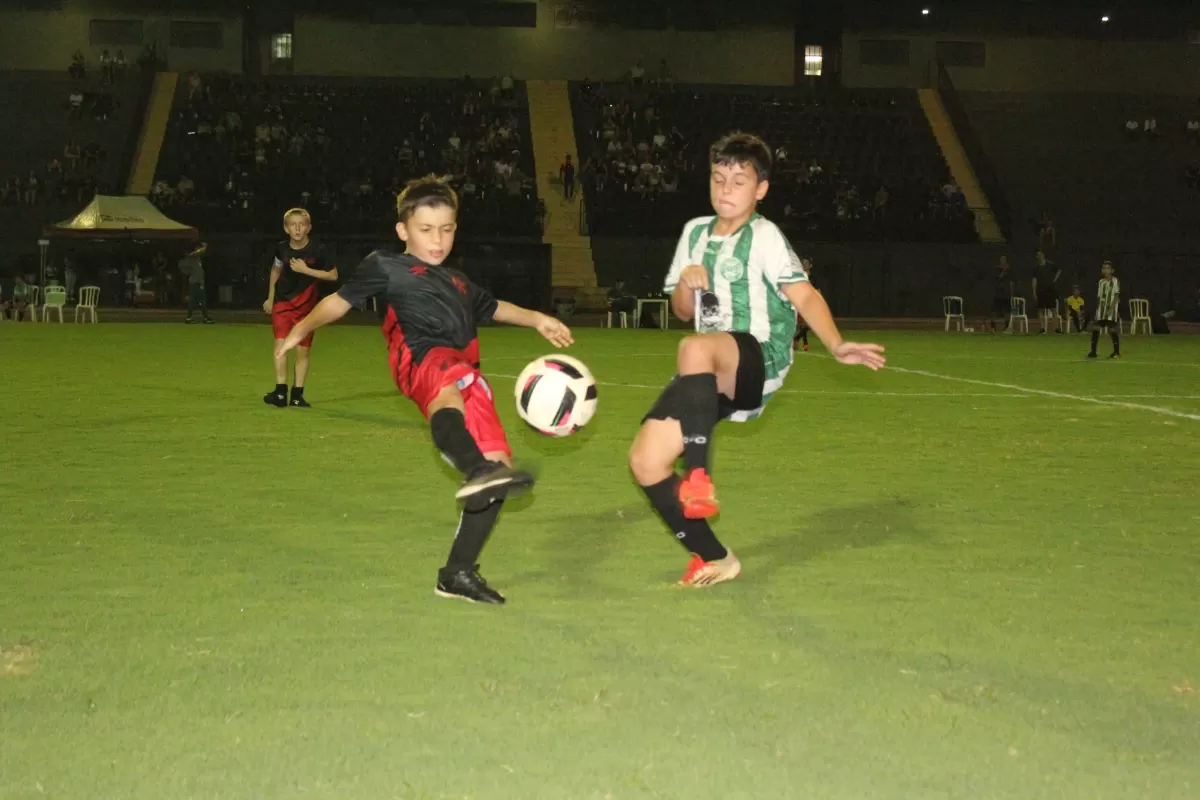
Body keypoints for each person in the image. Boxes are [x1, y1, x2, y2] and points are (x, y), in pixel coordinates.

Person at [275, 176, 574, 605]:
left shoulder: (457, 280)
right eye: (426, 229)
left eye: (446, 229)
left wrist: (538, 318)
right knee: (450, 396)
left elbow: (493, 307)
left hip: (467, 370)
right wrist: (301, 328)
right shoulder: (385, 265)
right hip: (418, 356)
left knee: (500, 469)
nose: (438, 240)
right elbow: (338, 301)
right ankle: (476, 469)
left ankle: (456, 573)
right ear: (403, 230)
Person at [627, 133, 886, 588]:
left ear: (760, 189)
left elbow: (804, 293)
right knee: (645, 461)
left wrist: (834, 343)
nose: (725, 189)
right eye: (718, 178)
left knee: (693, 348)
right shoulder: (694, 233)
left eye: (739, 181)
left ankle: (699, 476)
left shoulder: (764, 236)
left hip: (759, 357)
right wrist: (686, 281)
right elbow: (682, 312)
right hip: (709, 369)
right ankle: (716, 556)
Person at [262, 208, 338, 408]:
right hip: (282, 303)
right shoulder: (281, 249)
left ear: (308, 228)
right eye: (293, 225)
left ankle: (297, 395)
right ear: (286, 228)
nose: (297, 228)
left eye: (301, 224)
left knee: (302, 351)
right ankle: (280, 393)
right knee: (280, 346)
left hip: (307, 307)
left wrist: (307, 270)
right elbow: (276, 270)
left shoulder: (318, 249)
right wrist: (270, 297)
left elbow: (333, 275)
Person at [1087, 261, 1121, 359]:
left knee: (1112, 329)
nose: (1106, 270)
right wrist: (1098, 309)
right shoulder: (1101, 282)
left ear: (1112, 270)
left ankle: (1116, 352)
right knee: (1096, 328)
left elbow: (1116, 295)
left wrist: (1111, 309)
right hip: (1101, 310)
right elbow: (1099, 297)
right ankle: (1093, 352)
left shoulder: (1115, 281)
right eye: (1104, 268)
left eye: (1108, 268)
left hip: (1111, 310)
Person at [179, 243, 214, 324]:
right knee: (194, 301)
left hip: (199, 282)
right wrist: (204, 246)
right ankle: (191, 317)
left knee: (201, 301)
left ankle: (204, 317)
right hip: (195, 283)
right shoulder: (192, 258)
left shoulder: (198, 260)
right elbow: (198, 252)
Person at [1032, 250, 1060, 334]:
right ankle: (1042, 328)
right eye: (1037, 255)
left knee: (1053, 309)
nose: (1038, 257)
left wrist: (1055, 279)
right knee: (1040, 309)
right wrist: (1034, 292)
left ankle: (1056, 328)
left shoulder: (1050, 265)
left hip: (1050, 290)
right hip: (1040, 290)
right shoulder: (1036, 268)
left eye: (1039, 255)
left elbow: (1059, 270)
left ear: (1043, 255)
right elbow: (1034, 280)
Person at [793, 257, 815, 351]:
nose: (805, 265)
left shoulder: (810, 276)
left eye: (806, 263)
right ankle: (803, 344)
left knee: (806, 325)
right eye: (803, 263)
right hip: (800, 302)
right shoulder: (801, 275)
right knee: (804, 324)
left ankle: (797, 340)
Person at [989, 256, 1012, 333]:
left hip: (1006, 294)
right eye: (1002, 260)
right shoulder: (997, 269)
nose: (1003, 261)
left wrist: (1011, 293)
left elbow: (1011, 282)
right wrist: (1004, 270)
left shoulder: (1010, 271)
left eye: (1004, 260)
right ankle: (993, 327)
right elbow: (998, 277)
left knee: (1007, 312)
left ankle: (1007, 327)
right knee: (994, 311)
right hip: (998, 293)